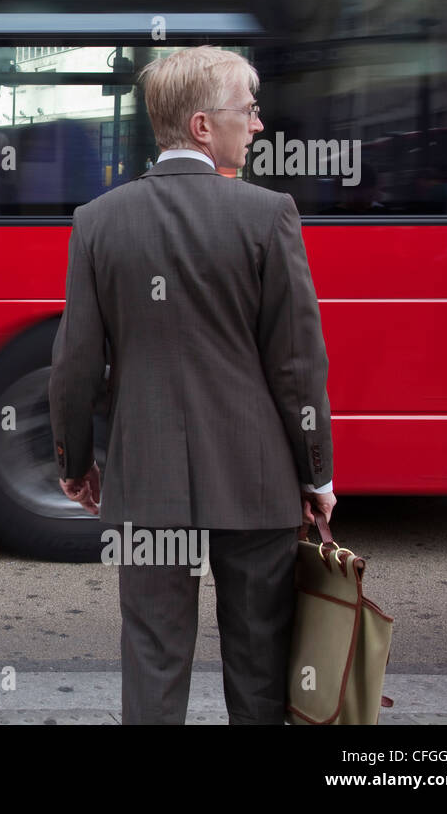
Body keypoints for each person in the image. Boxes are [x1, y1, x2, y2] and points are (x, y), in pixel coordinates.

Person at [48, 45, 336, 725]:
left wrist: (76, 463)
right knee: (262, 666)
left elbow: (75, 365)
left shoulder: (97, 221)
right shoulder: (268, 216)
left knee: (151, 658)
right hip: (257, 483)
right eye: (249, 108)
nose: (258, 124)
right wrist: (315, 474)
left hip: (147, 484)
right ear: (203, 125)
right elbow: (297, 365)